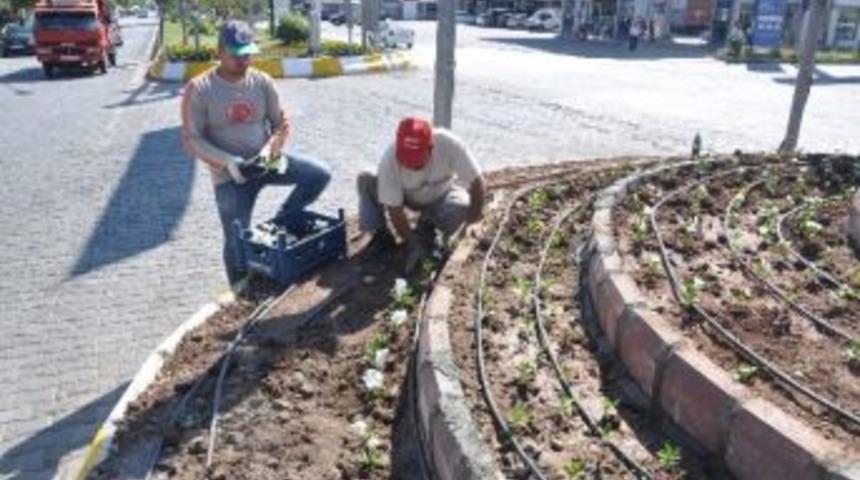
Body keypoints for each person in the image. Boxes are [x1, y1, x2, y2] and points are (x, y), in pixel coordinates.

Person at [180, 20, 331, 289]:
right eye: (235, 54)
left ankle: (285, 218)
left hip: (266, 163)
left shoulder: (262, 81)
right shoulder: (200, 89)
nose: (242, 60)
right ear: (219, 52)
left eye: (246, 53)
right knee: (235, 237)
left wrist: (270, 149)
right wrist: (229, 163)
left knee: (318, 174)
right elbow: (193, 139)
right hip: (230, 177)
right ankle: (239, 288)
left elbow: (281, 123)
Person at [357, 117, 486, 273]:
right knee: (366, 179)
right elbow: (395, 211)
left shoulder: (449, 143)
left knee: (465, 211)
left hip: (441, 195)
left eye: (416, 161)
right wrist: (413, 244)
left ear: (431, 148)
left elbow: (477, 182)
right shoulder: (389, 159)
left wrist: (471, 222)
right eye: (405, 160)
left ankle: (428, 224)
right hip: (406, 197)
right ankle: (380, 236)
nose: (410, 166)